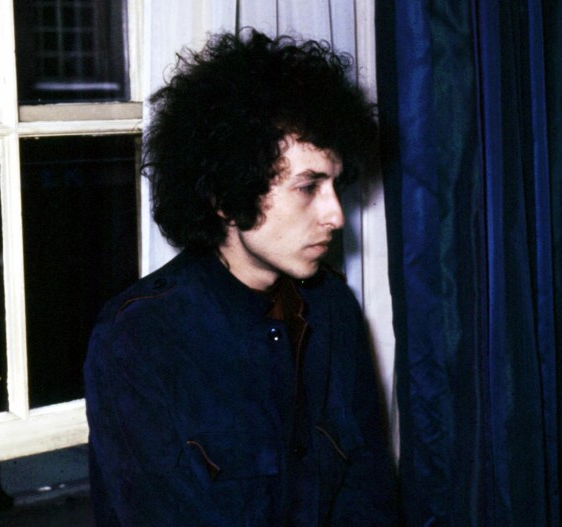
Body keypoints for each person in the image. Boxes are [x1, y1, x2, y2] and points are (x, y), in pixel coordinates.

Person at [84, 28, 398, 526]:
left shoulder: (333, 307)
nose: (336, 215)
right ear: (227, 197)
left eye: (335, 186)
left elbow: (369, 496)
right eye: (308, 187)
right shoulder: (140, 339)